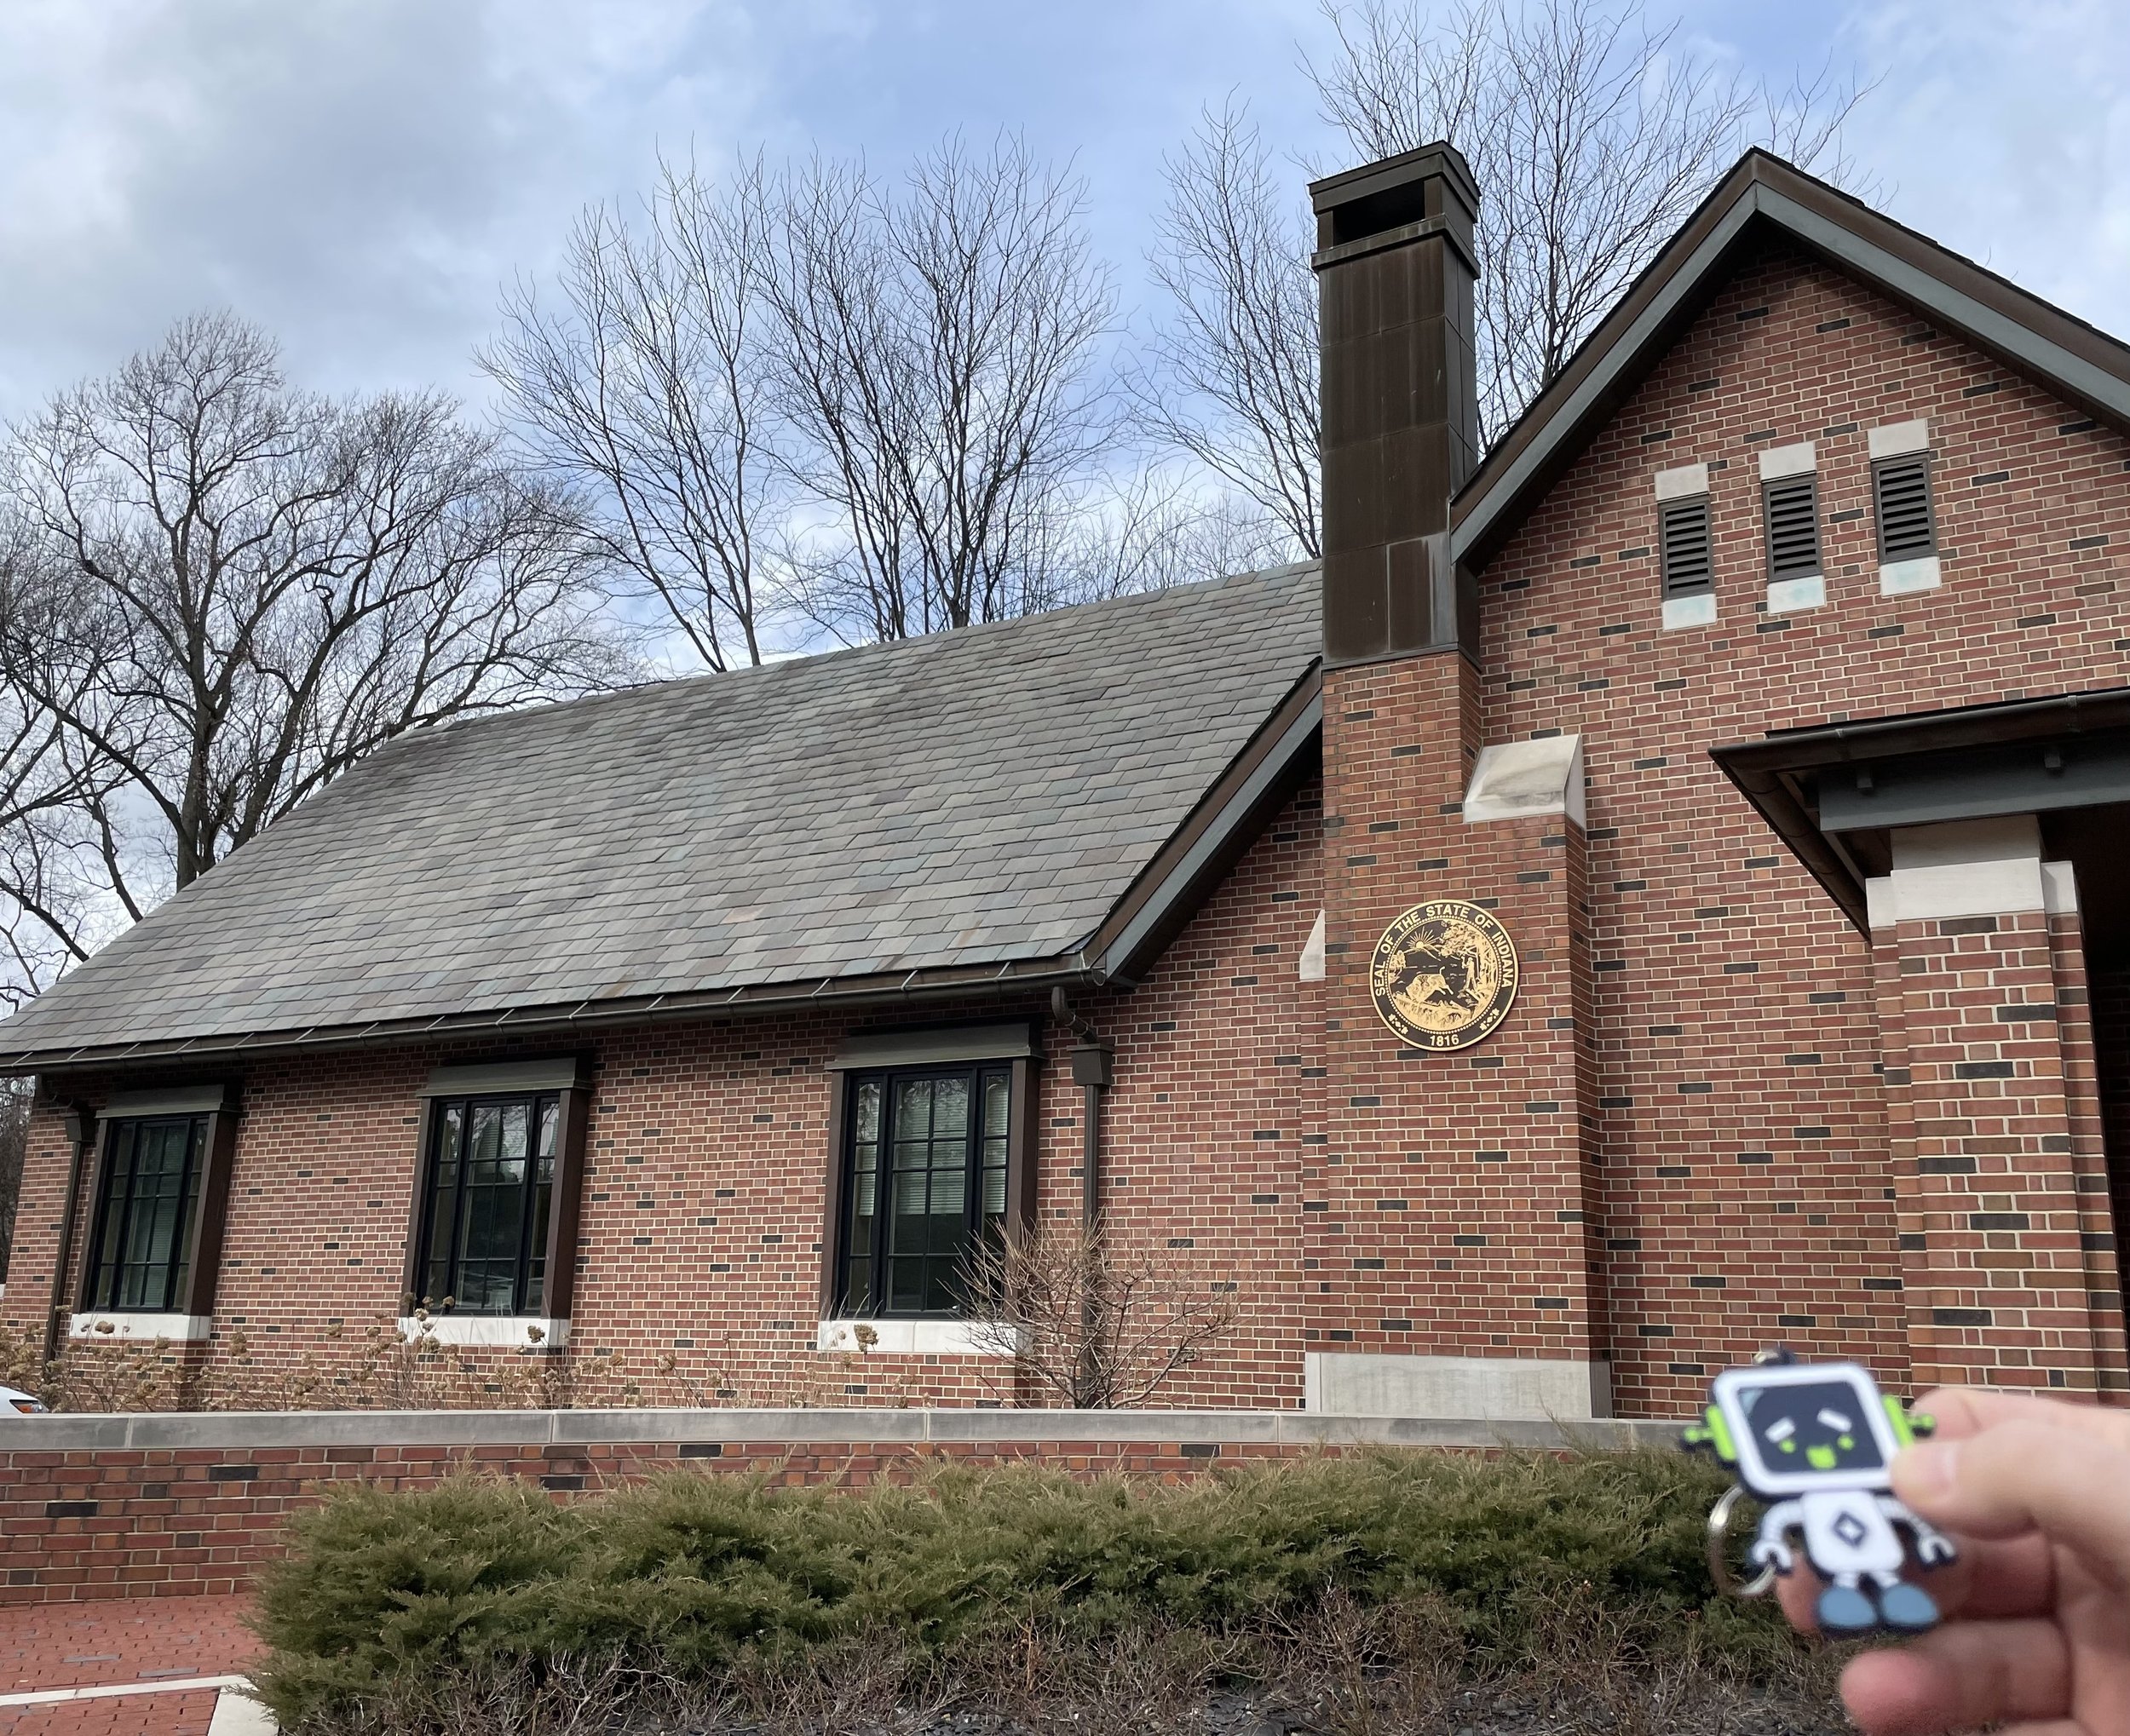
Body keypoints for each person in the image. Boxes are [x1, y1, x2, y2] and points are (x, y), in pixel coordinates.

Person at [1773, 1387, 2130, 1735]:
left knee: (1888, 1593)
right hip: (1844, 1555)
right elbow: (1782, 1519)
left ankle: (1896, 1599)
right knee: (1853, 1590)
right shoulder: (1812, 1497)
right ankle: (1850, 1599)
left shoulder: (1867, 1483)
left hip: (1881, 1552)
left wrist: (1927, 1536)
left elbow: (1901, 1516)